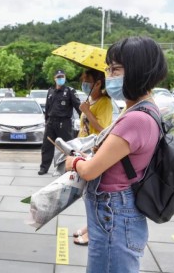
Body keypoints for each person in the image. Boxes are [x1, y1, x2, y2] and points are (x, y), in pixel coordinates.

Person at [65, 36, 167, 272]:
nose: (109, 75)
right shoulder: (143, 109)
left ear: (138, 71)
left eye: (116, 69)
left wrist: (75, 161)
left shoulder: (136, 118)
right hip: (117, 211)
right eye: (109, 69)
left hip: (114, 213)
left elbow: (90, 171)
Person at [74, 68, 113, 246]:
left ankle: (94, 231)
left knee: (93, 194)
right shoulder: (90, 100)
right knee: (86, 194)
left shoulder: (104, 102)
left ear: (98, 83)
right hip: (83, 150)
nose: (84, 84)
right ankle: (90, 225)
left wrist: (87, 111)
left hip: (95, 152)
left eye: (87, 81)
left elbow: (103, 128)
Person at [38, 70, 81, 175]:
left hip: (64, 122)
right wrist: (46, 120)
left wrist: (83, 118)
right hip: (51, 122)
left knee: (67, 146)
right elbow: (47, 107)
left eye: (62, 77)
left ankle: (68, 167)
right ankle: (44, 167)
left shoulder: (69, 91)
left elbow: (77, 106)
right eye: (58, 77)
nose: (60, 79)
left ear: (65, 78)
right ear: (55, 78)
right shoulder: (51, 91)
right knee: (46, 146)